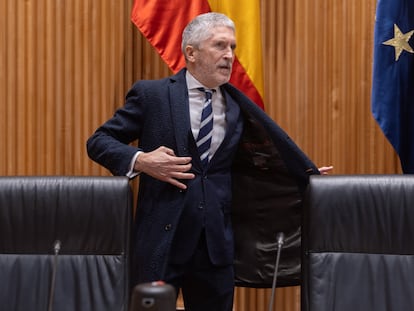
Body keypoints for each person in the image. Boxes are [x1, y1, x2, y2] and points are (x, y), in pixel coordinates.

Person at [87, 12, 332, 311]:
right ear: (191, 52)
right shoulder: (152, 95)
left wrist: (303, 176)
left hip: (216, 248)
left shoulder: (237, 106)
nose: (230, 55)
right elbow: (99, 142)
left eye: (233, 47)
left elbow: (256, 164)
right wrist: (141, 160)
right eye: (220, 46)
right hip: (161, 242)